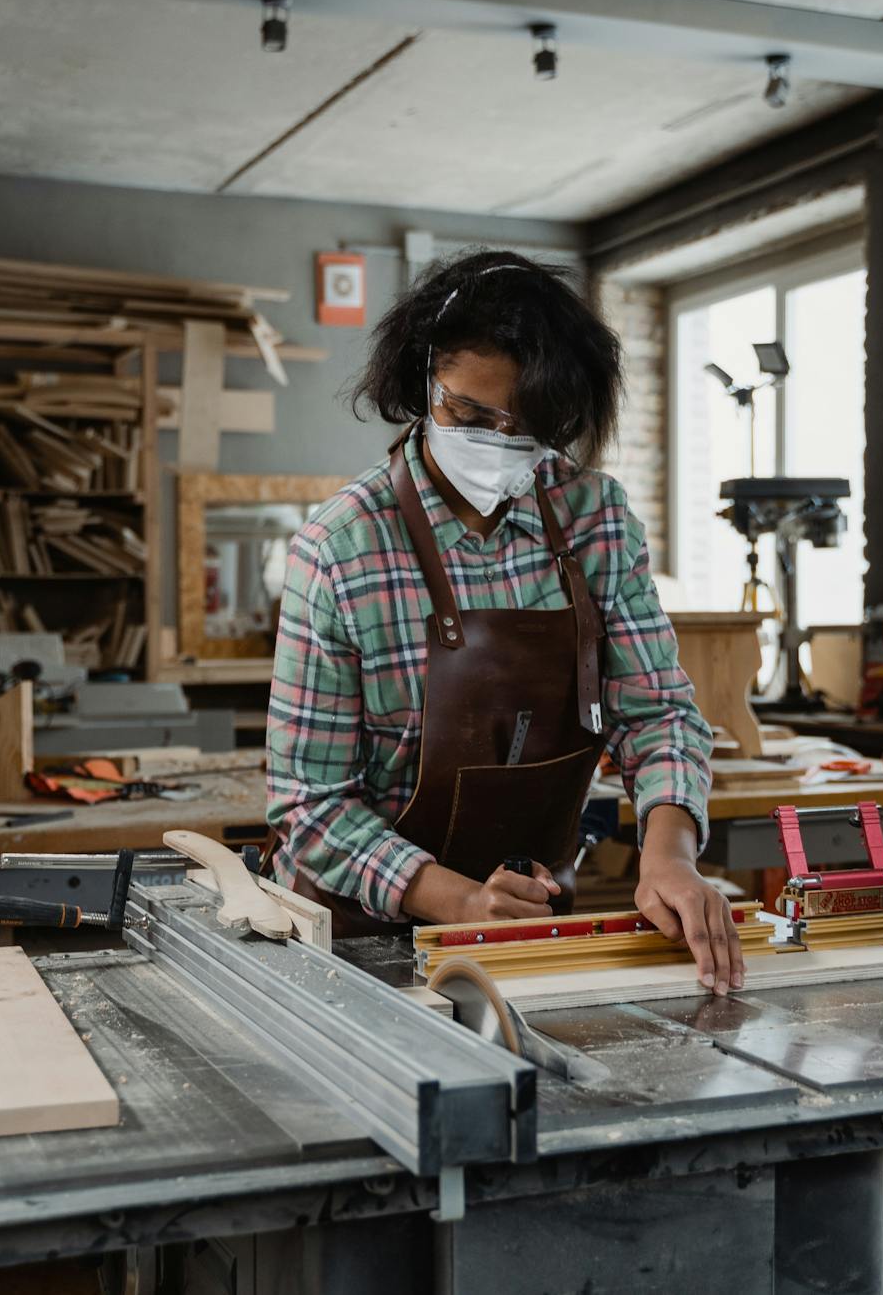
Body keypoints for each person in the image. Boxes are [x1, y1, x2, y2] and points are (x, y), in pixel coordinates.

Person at [265, 249, 744, 994]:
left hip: (528, 921)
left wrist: (670, 855)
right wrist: (458, 901)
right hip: (354, 937)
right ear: (421, 378)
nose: (493, 439)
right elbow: (309, 804)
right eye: (467, 412)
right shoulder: (341, 550)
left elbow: (655, 713)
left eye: (522, 426)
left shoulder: (596, 519)